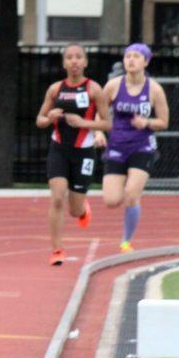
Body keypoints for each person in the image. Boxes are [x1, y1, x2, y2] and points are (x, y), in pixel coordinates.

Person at [35, 44, 111, 266]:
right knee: (57, 197)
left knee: (74, 209)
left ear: (85, 62)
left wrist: (84, 123)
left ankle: (82, 208)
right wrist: (50, 118)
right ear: (64, 63)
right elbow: (39, 120)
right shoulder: (55, 89)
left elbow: (108, 123)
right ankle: (57, 249)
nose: (74, 61)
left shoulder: (94, 89)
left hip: (84, 152)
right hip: (59, 148)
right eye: (69, 57)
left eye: (79, 57)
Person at [102, 43, 170, 251]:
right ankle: (127, 202)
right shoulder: (113, 86)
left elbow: (164, 122)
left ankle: (126, 241)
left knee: (131, 193)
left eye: (136, 57)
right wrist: (97, 132)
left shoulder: (155, 89)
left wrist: (147, 123)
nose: (130, 60)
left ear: (145, 62)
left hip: (142, 146)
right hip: (116, 145)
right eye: (127, 56)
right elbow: (99, 112)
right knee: (111, 201)